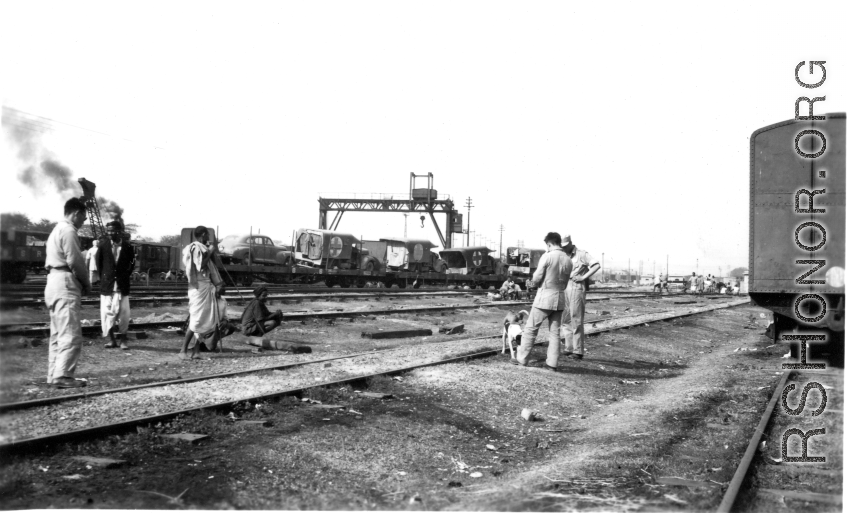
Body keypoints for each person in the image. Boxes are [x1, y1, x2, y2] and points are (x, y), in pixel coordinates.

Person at [44, 198, 91, 388]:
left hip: (53, 281)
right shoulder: (69, 230)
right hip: (64, 281)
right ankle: (63, 376)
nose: (83, 222)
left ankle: (54, 375)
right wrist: (86, 283)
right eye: (84, 218)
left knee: (58, 334)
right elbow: (75, 261)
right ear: (77, 213)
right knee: (70, 333)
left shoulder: (56, 230)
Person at [512, 232, 572, 371]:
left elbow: (537, 277)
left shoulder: (547, 256)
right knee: (555, 332)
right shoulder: (568, 259)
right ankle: (552, 363)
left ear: (549, 244)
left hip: (544, 298)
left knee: (531, 329)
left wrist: (531, 283)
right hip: (560, 299)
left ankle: (522, 358)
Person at [179, 226, 224, 359]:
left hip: (205, 286)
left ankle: (196, 351)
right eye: (207, 235)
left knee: (203, 320)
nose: (208, 238)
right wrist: (210, 251)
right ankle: (183, 350)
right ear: (203, 234)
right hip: (199, 288)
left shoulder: (200, 247)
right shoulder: (196, 247)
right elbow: (201, 265)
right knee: (196, 321)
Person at [561, 235, 601, 360]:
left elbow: (596, 265)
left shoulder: (582, 254)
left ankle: (578, 351)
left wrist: (583, 278)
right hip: (565, 288)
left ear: (570, 243)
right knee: (565, 319)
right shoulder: (564, 255)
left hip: (576, 289)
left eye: (566, 246)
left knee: (576, 320)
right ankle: (568, 348)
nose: (564, 248)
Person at [97, 220, 136, 349]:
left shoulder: (128, 247)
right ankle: (112, 340)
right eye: (108, 231)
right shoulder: (103, 245)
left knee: (124, 313)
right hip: (107, 285)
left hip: (121, 285)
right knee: (107, 313)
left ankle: (123, 340)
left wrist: (124, 275)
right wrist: (105, 277)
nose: (110, 234)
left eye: (113, 231)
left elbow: (132, 264)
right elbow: (99, 264)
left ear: (120, 231)